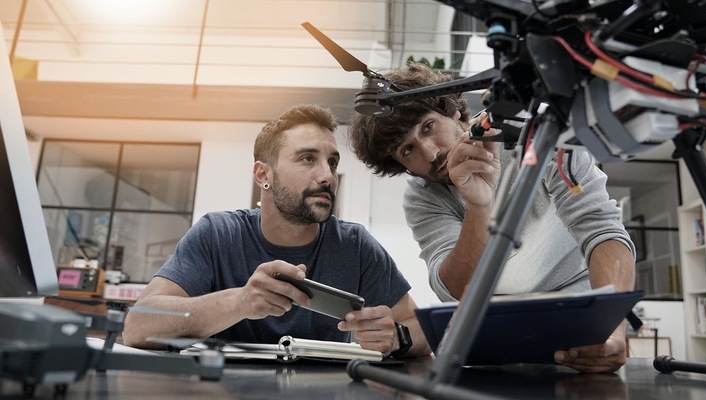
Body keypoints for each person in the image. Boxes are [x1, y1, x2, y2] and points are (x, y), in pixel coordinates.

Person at [347, 63, 635, 372]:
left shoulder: (539, 136)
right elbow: (455, 289)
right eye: (407, 150)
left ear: (454, 111)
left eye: (428, 127)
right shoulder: (422, 196)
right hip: (495, 323)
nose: (429, 154)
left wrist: (612, 328)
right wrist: (478, 204)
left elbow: (603, 230)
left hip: (579, 311)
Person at [123, 104, 430, 359]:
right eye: (308, 158)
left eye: (332, 162)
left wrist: (396, 337)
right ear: (263, 174)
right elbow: (137, 326)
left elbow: (422, 331)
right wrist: (239, 302)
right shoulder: (218, 234)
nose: (327, 176)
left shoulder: (354, 245)